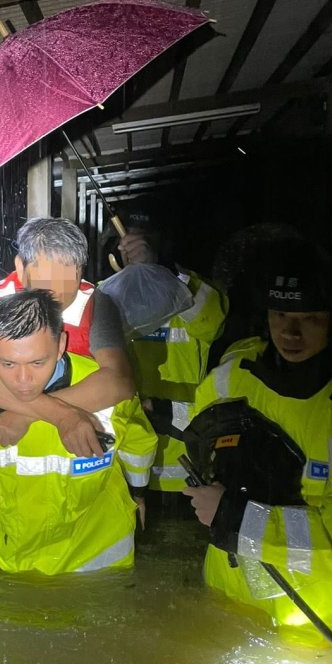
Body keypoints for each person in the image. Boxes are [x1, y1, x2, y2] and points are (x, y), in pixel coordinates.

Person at [182, 246, 332, 643]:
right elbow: (197, 445)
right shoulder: (232, 377)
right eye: (280, 315)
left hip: (316, 630)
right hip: (227, 602)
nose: (290, 332)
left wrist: (234, 517)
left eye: (309, 319)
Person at [0, 290, 157, 574]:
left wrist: (139, 494)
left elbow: (138, 446)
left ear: (61, 346)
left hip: (94, 561)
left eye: (37, 363)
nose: (23, 381)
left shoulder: (109, 392)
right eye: (7, 364)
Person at [0, 217, 133, 459]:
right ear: (20, 267)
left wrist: (24, 413)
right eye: (44, 288)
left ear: (80, 270)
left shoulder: (97, 304)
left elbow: (119, 381)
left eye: (66, 284)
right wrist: (62, 415)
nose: (54, 300)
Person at [107, 200, 228, 495]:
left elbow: (213, 323)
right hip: (124, 467)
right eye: (129, 238)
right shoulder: (106, 292)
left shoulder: (190, 288)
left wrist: (162, 272)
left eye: (145, 239)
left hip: (182, 468)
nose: (134, 247)